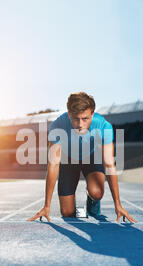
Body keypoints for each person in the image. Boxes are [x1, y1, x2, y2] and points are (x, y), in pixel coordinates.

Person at [27, 92, 137, 223]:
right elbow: (54, 164)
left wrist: (118, 205)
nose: (80, 124)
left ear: (92, 114)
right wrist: (46, 206)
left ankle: (92, 202)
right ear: (69, 114)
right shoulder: (57, 126)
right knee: (67, 213)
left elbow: (109, 164)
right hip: (68, 159)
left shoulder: (103, 126)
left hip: (91, 157)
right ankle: (81, 211)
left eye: (85, 119)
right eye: (75, 119)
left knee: (96, 193)